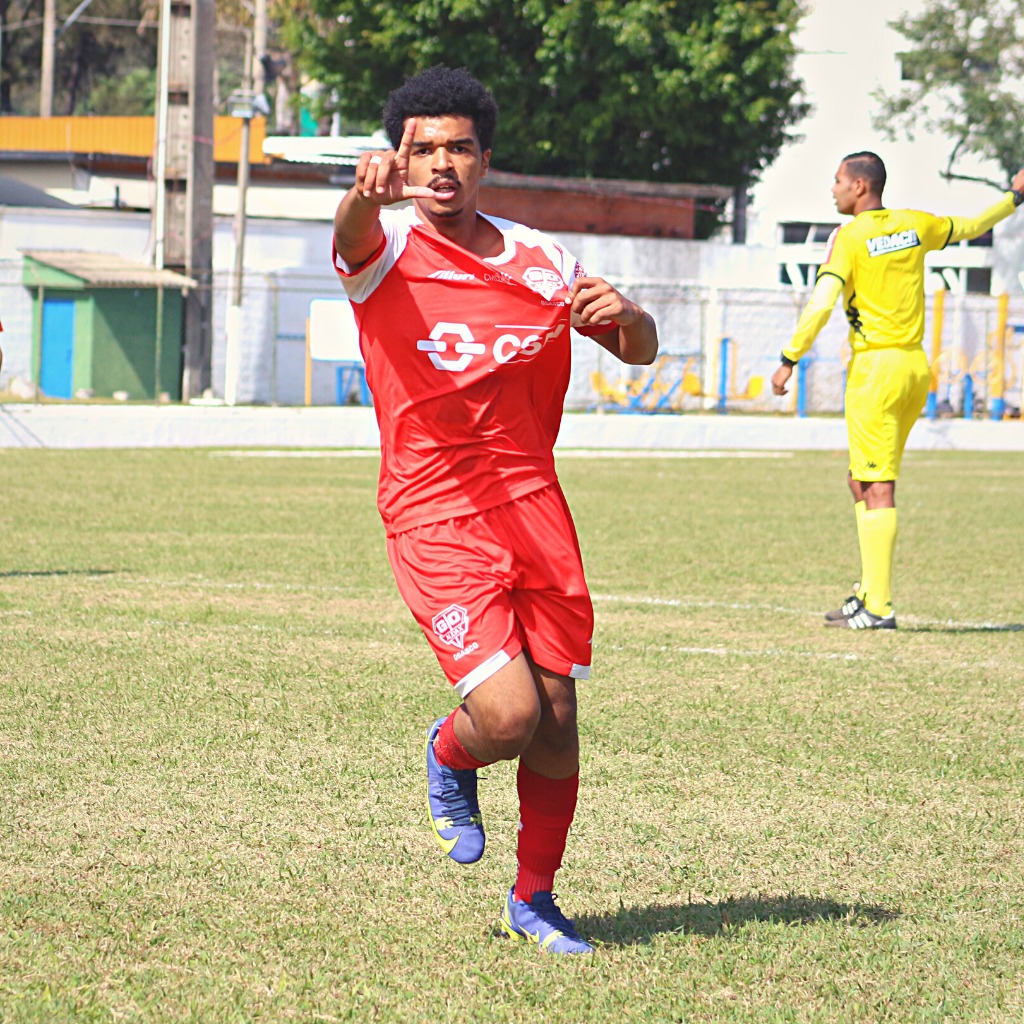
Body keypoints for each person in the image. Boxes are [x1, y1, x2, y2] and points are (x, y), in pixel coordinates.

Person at [331, 66, 658, 954]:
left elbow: (637, 351)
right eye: (421, 149)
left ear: (485, 159)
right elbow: (351, 234)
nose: (441, 164)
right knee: (507, 719)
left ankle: (535, 899)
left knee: (557, 718)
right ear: (397, 160)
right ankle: (449, 752)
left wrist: (628, 315)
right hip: (435, 514)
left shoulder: (540, 257)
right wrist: (362, 197)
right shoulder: (385, 249)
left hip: (535, 509)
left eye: (458, 148)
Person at [772, 152, 1024, 630]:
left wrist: (789, 357)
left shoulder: (849, 237)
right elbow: (971, 225)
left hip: (875, 370)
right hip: (913, 367)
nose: (833, 189)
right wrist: (1015, 196)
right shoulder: (916, 224)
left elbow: (823, 300)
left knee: (878, 486)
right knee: (860, 479)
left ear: (861, 187)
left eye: (839, 180)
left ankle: (879, 607)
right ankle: (868, 590)